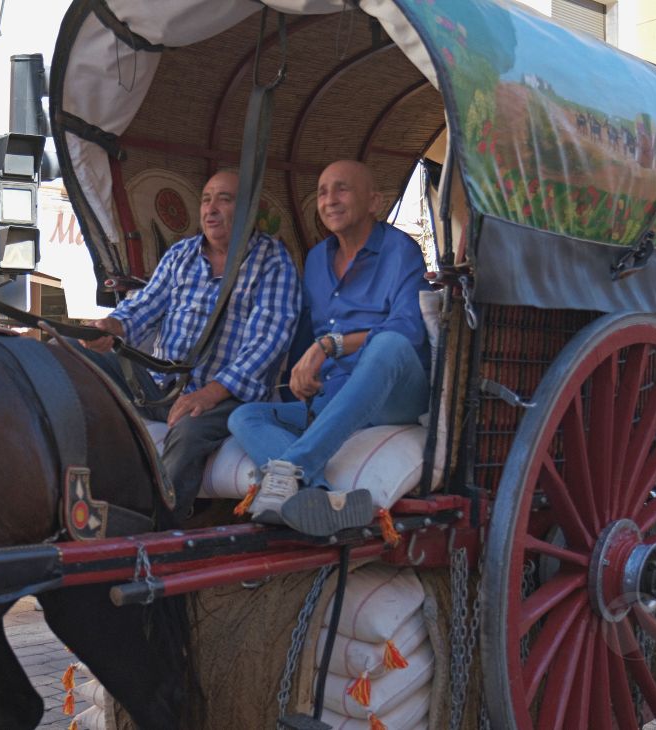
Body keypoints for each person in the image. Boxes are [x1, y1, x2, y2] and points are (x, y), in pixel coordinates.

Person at [80, 169, 300, 520]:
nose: (210, 209)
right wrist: (111, 327)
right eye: (206, 200)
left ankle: (158, 528)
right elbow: (142, 308)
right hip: (160, 388)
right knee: (75, 354)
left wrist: (209, 394)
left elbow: (267, 342)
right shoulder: (181, 254)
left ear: (250, 208)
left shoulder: (272, 261)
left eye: (224, 199)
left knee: (187, 436)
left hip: (224, 398)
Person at [227, 160, 430, 536]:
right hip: (334, 395)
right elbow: (307, 333)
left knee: (387, 343)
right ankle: (319, 495)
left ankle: (290, 471)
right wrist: (301, 376)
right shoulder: (317, 258)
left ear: (374, 202)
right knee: (245, 417)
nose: (329, 200)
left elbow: (409, 329)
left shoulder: (400, 250)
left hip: (394, 395)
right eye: (322, 192)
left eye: (342, 189)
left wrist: (330, 346)